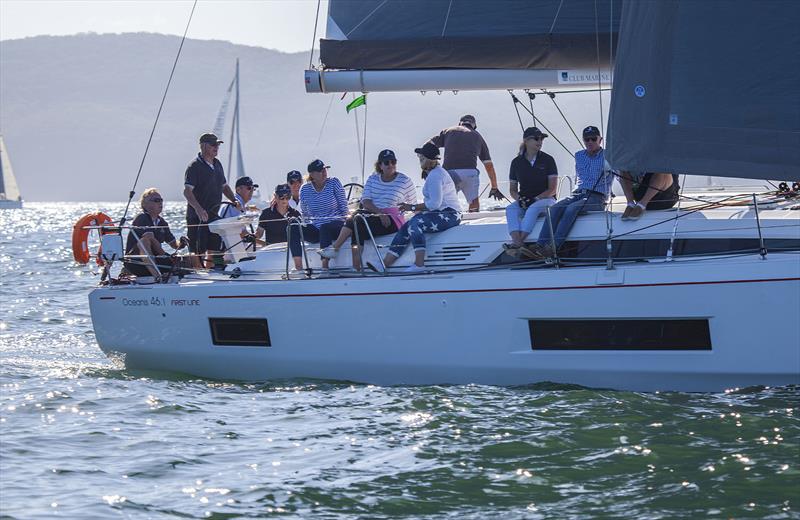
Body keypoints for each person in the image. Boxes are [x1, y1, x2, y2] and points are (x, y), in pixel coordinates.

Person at [319, 149, 417, 270]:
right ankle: (356, 267)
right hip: (374, 214)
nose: (390, 165)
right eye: (387, 162)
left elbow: (413, 204)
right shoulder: (373, 179)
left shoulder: (405, 181)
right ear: (380, 165)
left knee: (358, 220)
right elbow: (365, 201)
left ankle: (336, 249)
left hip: (394, 220)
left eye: (393, 162)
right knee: (357, 222)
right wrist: (380, 213)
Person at [529, 126, 613, 259]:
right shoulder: (579, 155)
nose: (590, 142)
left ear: (600, 140)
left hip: (597, 197)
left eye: (593, 139)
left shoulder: (609, 156)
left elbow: (620, 174)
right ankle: (540, 245)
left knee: (571, 209)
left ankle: (553, 247)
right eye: (587, 139)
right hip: (578, 193)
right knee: (555, 208)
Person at [382, 142, 461, 273]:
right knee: (406, 226)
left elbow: (435, 204)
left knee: (415, 224)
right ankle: (385, 263)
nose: (419, 160)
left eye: (421, 158)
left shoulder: (435, 175)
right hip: (443, 213)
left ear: (427, 160)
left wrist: (411, 207)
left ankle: (419, 264)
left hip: (450, 214)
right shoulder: (434, 173)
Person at [183, 132, 240, 268]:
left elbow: (224, 186)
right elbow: (187, 191)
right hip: (197, 216)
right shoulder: (194, 166)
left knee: (216, 245)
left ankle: (215, 271)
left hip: (214, 213)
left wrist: (234, 200)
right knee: (197, 249)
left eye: (218, 145)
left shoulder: (217, 164)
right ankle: (198, 274)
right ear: (203, 146)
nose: (216, 147)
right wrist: (198, 209)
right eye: (213, 145)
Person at [427, 114, 504, 212]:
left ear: (460, 123)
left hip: (449, 173)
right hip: (470, 173)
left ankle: (447, 217)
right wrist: (494, 187)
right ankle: (473, 216)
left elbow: (429, 144)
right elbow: (489, 165)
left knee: (445, 201)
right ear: (474, 126)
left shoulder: (448, 131)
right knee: (473, 202)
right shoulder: (478, 136)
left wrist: (430, 167)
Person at [505, 127, 558, 253]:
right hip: (525, 200)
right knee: (510, 209)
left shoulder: (548, 160)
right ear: (526, 141)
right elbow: (512, 190)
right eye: (536, 138)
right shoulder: (516, 162)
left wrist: (535, 199)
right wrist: (520, 199)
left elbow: (553, 189)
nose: (540, 141)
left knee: (532, 209)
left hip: (547, 200)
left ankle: (517, 244)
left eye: (541, 139)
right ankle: (518, 242)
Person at [290, 159, 348, 270]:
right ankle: (299, 268)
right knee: (292, 225)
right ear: (312, 174)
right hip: (317, 229)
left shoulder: (334, 182)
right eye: (320, 170)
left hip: (336, 225)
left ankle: (324, 268)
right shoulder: (305, 189)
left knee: (325, 227)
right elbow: (306, 215)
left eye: (325, 169)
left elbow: (344, 208)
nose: (324, 172)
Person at [124, 188, 188, 279]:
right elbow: (149, 239)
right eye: (156, 200)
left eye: (161, 200)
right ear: (145, 204)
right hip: (136, 262)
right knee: (145, 240)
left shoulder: (162, 222)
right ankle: (157, 276)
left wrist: (181, 243)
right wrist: (165, 256)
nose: (160, 203)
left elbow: (174, 244)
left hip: (157, 259)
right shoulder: (141, 218)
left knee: (189, 258)